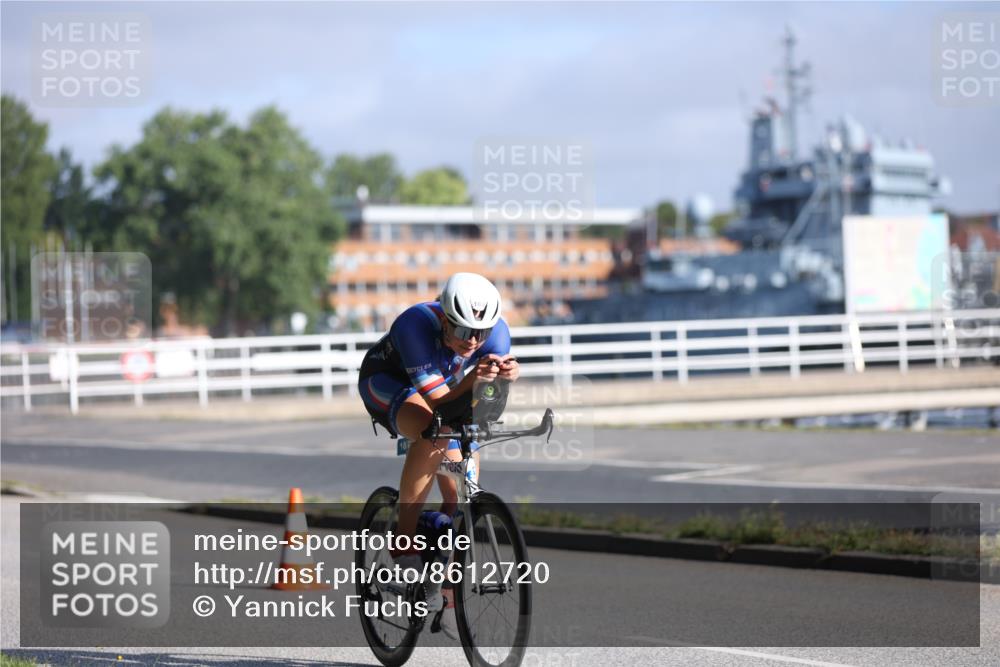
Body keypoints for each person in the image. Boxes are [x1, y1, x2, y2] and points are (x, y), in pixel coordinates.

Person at [357, 272, 519, 634]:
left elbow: (484, 410)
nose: (473, 341)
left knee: (463, 474)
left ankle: (441, 586)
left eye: (480, 333)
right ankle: (403, 539)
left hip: (447, 392)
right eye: (462, 331)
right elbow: (442, 404)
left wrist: (502, 383)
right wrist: (476, 376)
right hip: (387, 383)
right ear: (444, 319)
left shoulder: (496, 334)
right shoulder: (415, 324)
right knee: (436, 432)